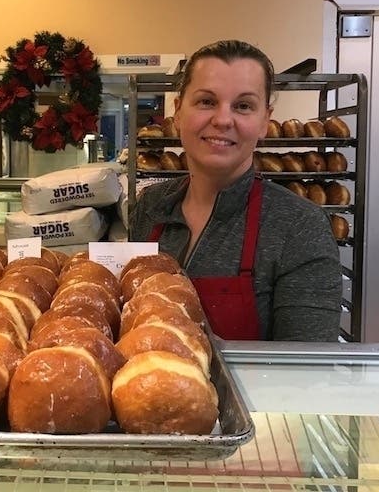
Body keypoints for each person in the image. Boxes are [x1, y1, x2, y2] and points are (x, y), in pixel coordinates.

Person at [129, 40, 342, 342]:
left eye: (243, 106)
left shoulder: (299, 226)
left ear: (264, 121)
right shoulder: (151, 206)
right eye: (206, 101)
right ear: (178, 111)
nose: (223, 119)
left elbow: (308, 375)